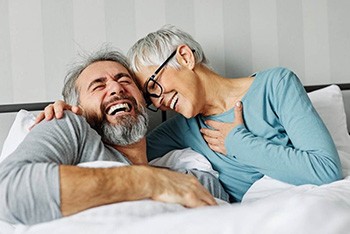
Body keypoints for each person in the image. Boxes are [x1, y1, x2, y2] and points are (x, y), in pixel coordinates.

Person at [37, 25, 342, 203]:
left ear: (184, 56)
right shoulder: (181, 130)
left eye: (154, 85)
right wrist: (72, 116)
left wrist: (240, 143)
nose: (160, 102)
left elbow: (326, 169)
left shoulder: (275, 85)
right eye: (150, 97)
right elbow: (116, 152)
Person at [0, 48, 229, 225]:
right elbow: (7, 191)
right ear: (77, 107)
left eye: (125, 81)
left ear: (143, 100)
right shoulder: (69, 124)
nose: (116, 89)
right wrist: (148, 181)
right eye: (98, 86)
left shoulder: (189, 180)